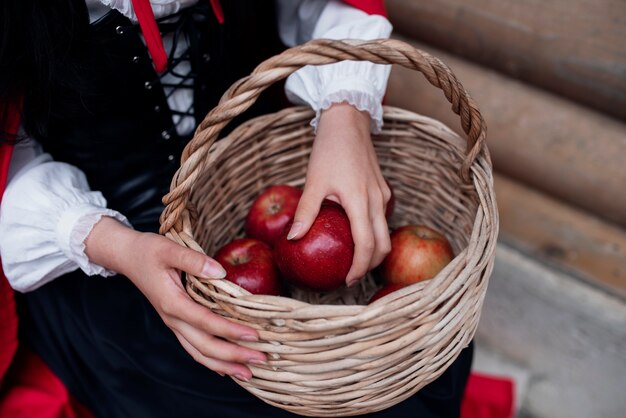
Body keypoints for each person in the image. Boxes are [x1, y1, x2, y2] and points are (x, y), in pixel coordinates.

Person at [0, 0, 472, 416]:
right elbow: (9, 158)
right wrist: (118, 248)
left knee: (400, 368)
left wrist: (344, 111)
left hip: (245, 187)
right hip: (111, 252)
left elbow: (313, 5)